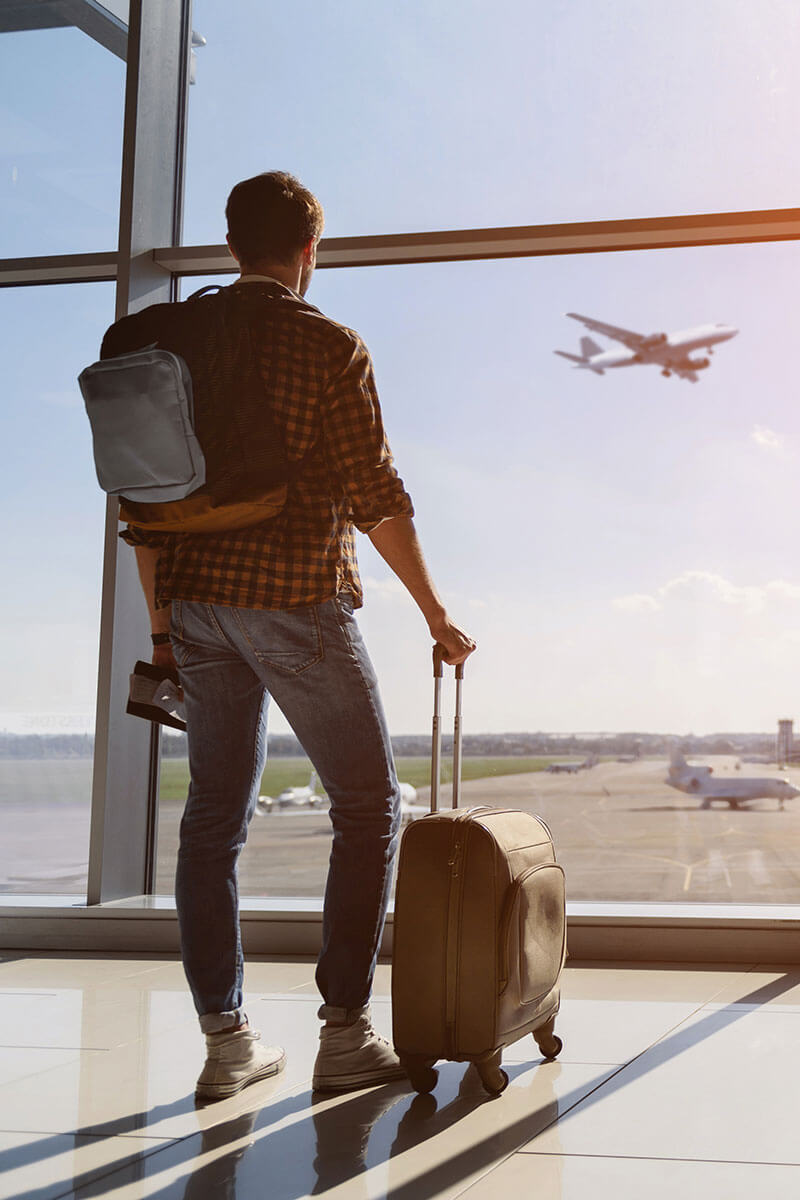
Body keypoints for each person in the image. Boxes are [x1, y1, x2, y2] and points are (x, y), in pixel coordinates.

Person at [100, 171, 475, 1101]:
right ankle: (344, 1033)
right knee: (369, 803)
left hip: (193, 609)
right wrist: (434, 612)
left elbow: (140, 508)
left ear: (232, 247)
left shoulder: (162, 341)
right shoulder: (326, 344)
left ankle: (226, 1044)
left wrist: (161, 631)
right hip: (294, 597)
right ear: (310, 250)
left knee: (212, 820)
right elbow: (378, 496)